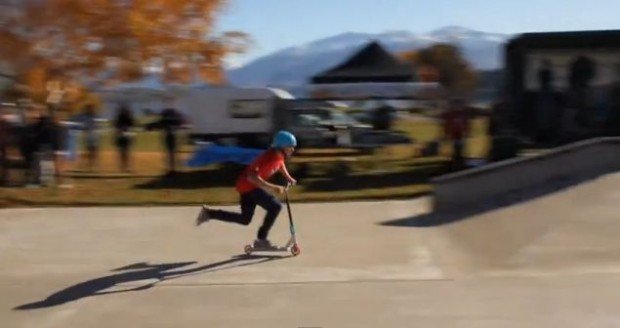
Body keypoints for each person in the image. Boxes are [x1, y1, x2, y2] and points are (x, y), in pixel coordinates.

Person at [195, 131, 298, 248]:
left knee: (245, 219)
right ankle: (261, 240)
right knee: (275, 207)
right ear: (280, 147)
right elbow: (252, 177)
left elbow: (280, 165)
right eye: (290, 147)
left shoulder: (279, 156)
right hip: (249, 186)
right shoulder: (267, 158)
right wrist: (273, 187)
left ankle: (209, 213)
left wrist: (289, 178)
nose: (292, 150)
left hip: (247, 187)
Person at [113, 105, 135, 172]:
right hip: (123, 135)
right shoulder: (124, 118)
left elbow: (116, 126)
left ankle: (124, 166)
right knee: (124, 152)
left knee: (124, 152)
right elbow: (117, 127)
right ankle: (124, 166)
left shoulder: (123, 118)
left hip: (124, 135)